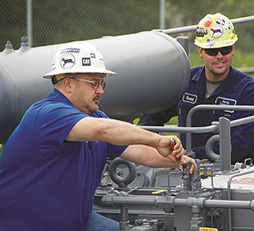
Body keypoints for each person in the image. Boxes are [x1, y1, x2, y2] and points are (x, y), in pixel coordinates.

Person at [0, 41, 194, 231]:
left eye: (102, 83)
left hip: (76, 221)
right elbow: (102, 130)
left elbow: (135, 149)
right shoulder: (47, 114)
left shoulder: (94, 116)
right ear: (68, 84)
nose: (100, 90)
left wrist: (175, 160)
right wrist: (157, 139)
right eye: (94, 83)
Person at [139, 13, 254, 164]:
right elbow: (152, 118)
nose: (219, 56)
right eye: (212, 51)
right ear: (201, 51)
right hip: (188, 169)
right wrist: (149, 142)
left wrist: (190, 154)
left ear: (232, 49)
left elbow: (242, 144)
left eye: (225, 49)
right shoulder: (184, 81)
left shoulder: (251, 90)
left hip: (233, 172)